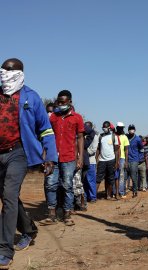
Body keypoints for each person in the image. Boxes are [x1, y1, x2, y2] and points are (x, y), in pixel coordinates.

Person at [0, 58, 57, 269]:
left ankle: (5, 249)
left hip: (18, 153)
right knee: (9, 197)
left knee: (8, 195)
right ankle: (29, 230)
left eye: (10, 71)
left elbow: (46, 129)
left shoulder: (31, 97)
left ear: (20, 74)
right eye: (3, 70)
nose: (5, 74)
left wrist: (50, 155)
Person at [41, 90, 84, 226]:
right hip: (53, 157)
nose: (60, 105)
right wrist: (44, 154)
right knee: (50, 184)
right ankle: (51, 213)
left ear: (69, 102)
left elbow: (81, 138)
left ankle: (67, 214)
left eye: (63, 103)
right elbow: (47, 136)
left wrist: (80, 157)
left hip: (69, 157)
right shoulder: (53, 117)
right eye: (58, 102)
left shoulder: (77, 118)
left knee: (67, 185)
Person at [95, 121, 119, 199]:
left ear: (109, 128)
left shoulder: (114, 137)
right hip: (102, 160)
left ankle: (108, 195)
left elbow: (116, 150)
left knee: (111, 178)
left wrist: (116, 162)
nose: (104, 129)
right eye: (103, 128)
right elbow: (98, 149)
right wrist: (96, 160)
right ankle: (94, 196)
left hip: (111, 160)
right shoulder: (100, 136)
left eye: (106, 128)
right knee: (98, 178)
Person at [125, 124, 144, 198]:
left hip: (134, 160)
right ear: (128, 130)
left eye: (132, 128)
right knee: (125, 177)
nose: (131, 130)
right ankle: (123, 192)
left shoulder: (138, 139)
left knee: (134, 177)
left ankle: (135, 192)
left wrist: (139, 158)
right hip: (126, 160)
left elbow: (142, 149)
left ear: (135, 130)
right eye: (130, 128)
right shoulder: (126, 138)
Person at [84, 122, 98, 203]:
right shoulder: (83, 136)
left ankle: (93, 197)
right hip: (84, 162)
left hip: (91, 162)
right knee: (84, 181)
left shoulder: (95, 137)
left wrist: (84, 153)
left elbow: (93, 150)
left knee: (91, 180)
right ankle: (85, 196)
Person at [115, 122, 129, 198]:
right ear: (117, 128)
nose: (121, 129)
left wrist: (126, 161)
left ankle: (121, 191)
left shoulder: (125, 137)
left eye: (122, 128)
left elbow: (126, 150)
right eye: (119, 128)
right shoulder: (113, 136)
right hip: (113, 158)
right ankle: (114, 192)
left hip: (122, 158)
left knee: (121, 176)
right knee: (114, 175)